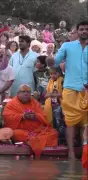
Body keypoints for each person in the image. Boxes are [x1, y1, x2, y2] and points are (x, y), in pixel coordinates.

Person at [46, 20, 88, 159]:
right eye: (81, 29)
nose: (84, 31)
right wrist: (49, 58)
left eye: (86, 29)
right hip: (70, 88)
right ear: (77, 31)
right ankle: (70, 152)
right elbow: (55, 62)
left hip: (87, 90)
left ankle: (84, 152)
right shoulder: (67, 46)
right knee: (70, 121)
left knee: (86, 123)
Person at [3, 84, 58, 158]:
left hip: (38, 131)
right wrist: (22, 116)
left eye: (28, 92)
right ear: (18, 93)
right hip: (22, 131)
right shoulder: (11, 104)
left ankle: (32, 143)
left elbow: (43, 117)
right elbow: (7, 118)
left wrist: (35, 116)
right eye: (23, 92)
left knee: (53, 133)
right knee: (15, 133)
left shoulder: (35, 102)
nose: (26, 94)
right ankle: (35, 143)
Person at [43, 67, 66, 144]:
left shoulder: (62, 81)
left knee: (59, 123)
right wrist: (52, 94)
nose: (53, 75)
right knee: (52, 122)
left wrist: (51, 94)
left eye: (55, 73)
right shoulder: (50, 81)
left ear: (59, 73)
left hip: (60, 105)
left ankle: (62, 140)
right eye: (51, 74)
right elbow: (46, 95)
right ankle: (53, 139)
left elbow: (63, 94)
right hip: (50, 106)